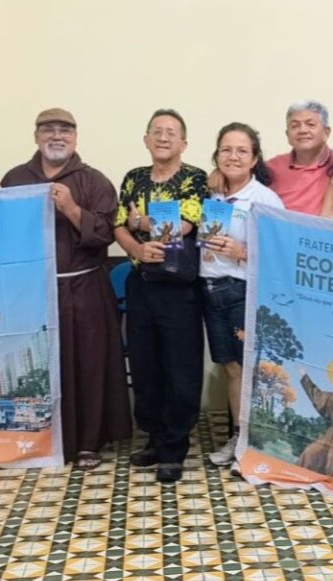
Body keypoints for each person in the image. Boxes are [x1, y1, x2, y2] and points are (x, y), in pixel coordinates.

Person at [1, 107, 132, 470]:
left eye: (65, 130)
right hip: (34, 290)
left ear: (75, 137)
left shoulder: (94, 181)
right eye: (48, 130)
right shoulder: (15, 179)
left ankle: (88, 442)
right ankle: (39, 438)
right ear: (36, 136)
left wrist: (72, 208)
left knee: (88, 365)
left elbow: (106, 233)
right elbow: (1, 230)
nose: (56, 136)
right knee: (36, 365)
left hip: (85, 287)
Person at [113, 109, 209, 484]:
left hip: (178, 287)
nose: (164, 137)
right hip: (141, 283)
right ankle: (153, 438)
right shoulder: (133, 178)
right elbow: (118, 225)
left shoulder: (195, 178)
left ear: (183, 142)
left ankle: (174, 448)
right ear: (146, 140)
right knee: (146, 365)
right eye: (157, 131)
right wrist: (137, 248)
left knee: (180, 368)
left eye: (171, 132)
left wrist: (141, 222)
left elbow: (184, 224)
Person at [200, 123, 285, 467]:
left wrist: (243, 252)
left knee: (253, 370)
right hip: (209, 289)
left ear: (254, 159)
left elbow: (280, 250)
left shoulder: (264, 199)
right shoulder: (211, 194)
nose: (233, 157)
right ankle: (239, 439)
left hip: (243, 291)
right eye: (226, 150)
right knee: (231, 368)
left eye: (241, 151)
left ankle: (259, 444)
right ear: (216, 155)